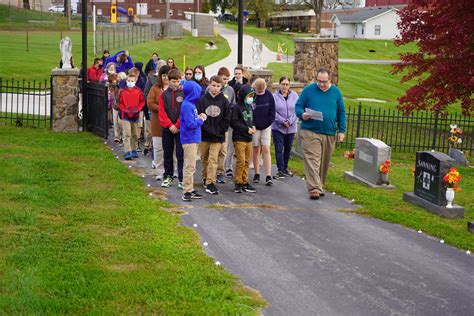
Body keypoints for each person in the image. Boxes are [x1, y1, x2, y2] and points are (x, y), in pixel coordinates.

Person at [295, 68, 346, 200]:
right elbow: (298, 106)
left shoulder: (336, 92)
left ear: (330, 79)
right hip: (310, 131)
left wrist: (341, 130)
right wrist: (302, 114)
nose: (322, 84)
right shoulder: (309, 90)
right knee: (313, 160)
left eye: (324, 81)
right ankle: (314, 188)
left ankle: (319, 185)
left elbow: (341, 112)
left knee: (324, 162)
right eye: (319, 81)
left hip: (329, 132)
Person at [197, 75, 231, 195]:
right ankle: (205, 177)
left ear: (221, 87)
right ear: (209, 85)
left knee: (213, 159)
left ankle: (211, 183)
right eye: (213, 85)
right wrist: (207, 129)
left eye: (218, 86)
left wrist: (218, 131)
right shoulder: (202, 100)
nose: (215, 88)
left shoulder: (224, 101)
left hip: (218, 136)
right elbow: (199, 117)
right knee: (204, 158)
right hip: (204, 135)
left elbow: (227, 120)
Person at [180, 80, 207, 202]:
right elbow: (191, 124)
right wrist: (201, 119)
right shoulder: (187, 105)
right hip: (189, 139)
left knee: (192, 166)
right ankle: (186, 191)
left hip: (193, 138)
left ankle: (190, 189)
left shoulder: (191, 105)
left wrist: (198, 117)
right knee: (189, 166)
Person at [158, 69, 184, 188]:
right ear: (169, 81)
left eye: (177, 81)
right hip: (167, 128)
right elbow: (162, 112)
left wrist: (177, 125)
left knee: (180, 153)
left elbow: (184, 111)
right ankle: (168, 176)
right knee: (167, 153)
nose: (175, 83)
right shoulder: (164, 94)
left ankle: (181, 178)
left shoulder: (183, 93)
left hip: (180, 129)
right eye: (173, 81)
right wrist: (170, 125)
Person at [230, 84, 257, 194]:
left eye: (252, 96)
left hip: (248, 138)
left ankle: (245, 181)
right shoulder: (237, 107)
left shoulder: (250, 107)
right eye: (248, 96)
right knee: (240, 160)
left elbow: (251, 120)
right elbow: (234, 122)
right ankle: (238, 182)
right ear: (243, 95)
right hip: (239, 138)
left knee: (246, 161)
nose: (250, 98)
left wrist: (253, 126)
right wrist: (246, 129)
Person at [272, 77, 298, 179]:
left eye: (287, 84)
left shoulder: (295, 96)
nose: (285, 86)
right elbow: (272, 111)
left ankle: (285, 168)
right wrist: (282, 121)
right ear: (279, 84)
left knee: (288, 149)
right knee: (279, 149)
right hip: (278, 128)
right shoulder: (274, 97)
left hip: (290, 128)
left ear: (289, 85)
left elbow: (297, 109)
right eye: (283, 84)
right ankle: (280, 170)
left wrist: (290, 121)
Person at [147, 65, 170, 181]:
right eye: (164, 75)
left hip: (172, 124)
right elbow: (150, 102)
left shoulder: (175, 88)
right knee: (158, 148)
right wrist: (161, 108)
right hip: (158, 124)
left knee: (173, 148)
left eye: (167, 75)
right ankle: (160, 171)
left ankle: (172, 170)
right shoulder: (155, 88)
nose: (166, 77)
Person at [251, 78, 275, 186]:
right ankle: (256, 173)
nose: (260, 92)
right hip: (255, 127)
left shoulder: (269, 96)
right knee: (256, 149)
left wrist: (267, 123)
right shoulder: (251, 96)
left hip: (266, 126)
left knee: (266, 148)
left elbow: (272, 112)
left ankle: (268, 175)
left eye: (262, 90)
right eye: (258, 90)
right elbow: (248, 111)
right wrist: (252, 125)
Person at [215, 67, 236, 183]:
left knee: (224, 150)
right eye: (224, 78)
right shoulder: (213, 88)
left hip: (226, 125)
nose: (225, 81)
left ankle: (220, 172)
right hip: (213, 124)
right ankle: (210, 172)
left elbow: (233, 105)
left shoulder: (230, 90)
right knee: (213, 150)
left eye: (227, 79)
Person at [118, 74, 145, 160]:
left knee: (135, 134)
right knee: (127, 134)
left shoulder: (138, 91)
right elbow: (120, 103)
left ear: (135, 81)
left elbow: (142, 101)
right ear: (126, 81)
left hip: (135, 115)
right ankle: (127, 151)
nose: (130, 82)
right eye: (129, 81)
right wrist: (124, 110)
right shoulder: (123, 91)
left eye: (132, 81)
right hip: (125, 115)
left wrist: (138, 109)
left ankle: (134, 149)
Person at [108, 74, 122, 144]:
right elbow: (112, 96)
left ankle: (121, 135)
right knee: (115, 121)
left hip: (121, 106)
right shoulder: (111, 87)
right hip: (114, 106)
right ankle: (117, 136)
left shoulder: (120, 85)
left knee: (120, 122)